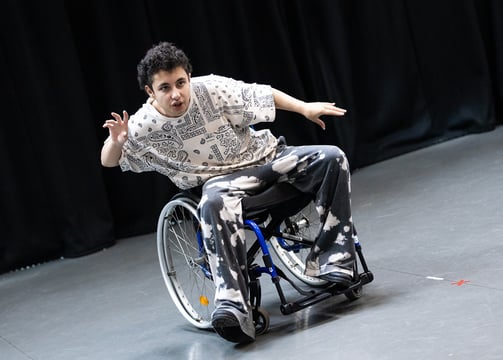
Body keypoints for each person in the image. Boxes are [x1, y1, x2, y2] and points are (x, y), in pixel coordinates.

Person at [101, 42, 358, 344]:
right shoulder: (145, 124)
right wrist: (117, 141)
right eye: (165, 87)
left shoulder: (210, 88)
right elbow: (108, 160)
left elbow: (261, 94)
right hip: (222, 185)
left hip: (266, 160)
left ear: (189, 77)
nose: (176, 94)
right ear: (150, 91)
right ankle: (233, 303)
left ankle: (335, 260)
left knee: (331, 157)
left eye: (181, 83)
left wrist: (304, 108)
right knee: (214, 197)